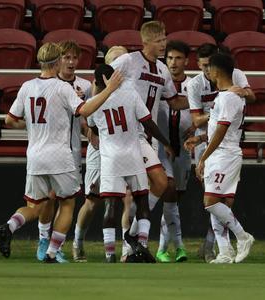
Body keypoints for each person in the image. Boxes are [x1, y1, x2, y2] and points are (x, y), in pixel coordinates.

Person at [0, 42, 122, 263]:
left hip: (35, 155)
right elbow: (85, 110)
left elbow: (9, 120)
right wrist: (110, 89)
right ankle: (52, 252)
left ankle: (10, 225)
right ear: (57, 62)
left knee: (34, 207)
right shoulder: (62, 88)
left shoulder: (27, 86)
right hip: (59, 155)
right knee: (67, 204)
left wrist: (33, 127)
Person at [109, 21, 189, 261]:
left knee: (159, 185)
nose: (164, 44)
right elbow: (101, 79)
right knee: (131, 194)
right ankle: (126, 249)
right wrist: (94, 123)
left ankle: (132, 238)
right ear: (146, 42)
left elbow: (174, 102)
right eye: (159, 40)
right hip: (125, 135)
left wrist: (207, 100)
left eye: (164, 39)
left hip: (147, 137)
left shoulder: (163, 70)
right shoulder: (128, 61)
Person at [89, 64, 175, 263]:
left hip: (111, 157)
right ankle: (141, 244)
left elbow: (93, 131)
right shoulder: (131, 94)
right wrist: (165, 142)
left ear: (99, 81)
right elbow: (148, 123)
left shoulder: (94, 104)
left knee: (111, 206)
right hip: (133, 152)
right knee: (142, 201)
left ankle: (110, 254)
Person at [185, 43, 255, 262]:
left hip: (224, 155)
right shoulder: (226, 97)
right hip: (223, 152)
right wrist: (199, 139)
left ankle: (243, 236)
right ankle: (224, 251)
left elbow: (222, 132)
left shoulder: (228, 98)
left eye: (210, 68)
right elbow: (217, 129)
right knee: (219, 205)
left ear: (216, 71)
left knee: (210, 202)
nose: (207, 73)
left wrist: (203, 158)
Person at [35, 40, 92, 263]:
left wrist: (91, 132)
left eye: (74, 58)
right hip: (50, 151)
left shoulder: (85, 86)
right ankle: (43, 240)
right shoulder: (49, 85)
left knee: (66, 200)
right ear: (58, 61)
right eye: (66, 57)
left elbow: (86, 118)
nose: (70, 62)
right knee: (49, 198)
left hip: (73, 152)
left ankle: (55, 247)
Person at [71, 45, 129, 263]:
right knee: (93, 200)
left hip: (122, 147)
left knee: (124, 198)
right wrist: (89, 131)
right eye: (117, 61)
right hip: (100, 147)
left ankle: (123, 249)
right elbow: (85, 112)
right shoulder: (93, 84)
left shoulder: (129, 85)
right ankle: (78, 242)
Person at [155, 40, 193, 263]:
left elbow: (204, 112)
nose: (173, 62)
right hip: (161, 149)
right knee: (168, 191)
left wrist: (196, 128)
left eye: (178, 58)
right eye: (169, 58)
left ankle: (166, 248)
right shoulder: (158, 84)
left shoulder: (194, 85)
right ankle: (174, 247)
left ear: (186, 61)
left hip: (184, 150)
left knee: (175, 200)